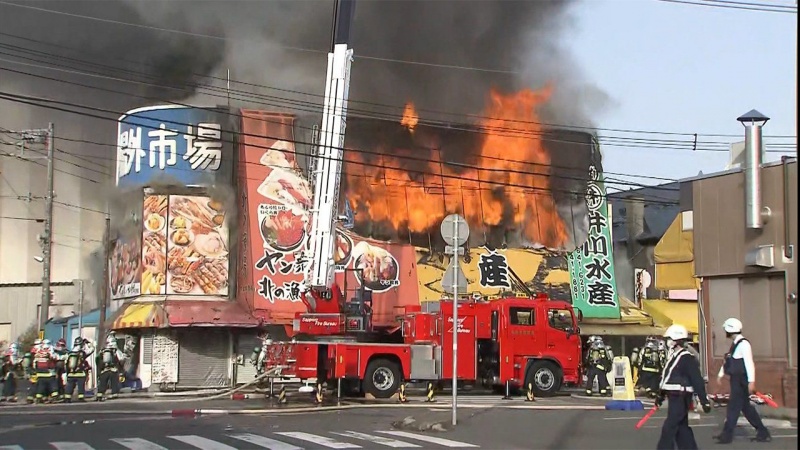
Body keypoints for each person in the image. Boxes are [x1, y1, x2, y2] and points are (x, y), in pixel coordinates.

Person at [714, 318, 771, 444]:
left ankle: (727, 436)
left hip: (741, 381)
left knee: (733, 408)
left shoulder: (744, 344)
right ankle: (762, 432)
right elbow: (728, 361)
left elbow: (749, 363)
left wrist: (751, 381)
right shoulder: (736, 344)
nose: (725, 332)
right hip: (736, 380)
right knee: (746, 408)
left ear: (730, 330)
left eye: (725, 330)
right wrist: (720, 374)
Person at [655, 324, 712, 450]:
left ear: (677, 340)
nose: (667, 342)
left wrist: (704, 400)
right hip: (674, 396)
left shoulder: (687, 358)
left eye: (669, 339)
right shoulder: (674, 356)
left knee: (670, 427)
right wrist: (661, 395)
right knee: (682, 428)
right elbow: (667, 378)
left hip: (681, 396)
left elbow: (697, 380)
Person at [64, 337, 93, 403]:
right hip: (80, 373)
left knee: (70, 386)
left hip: (71, 374)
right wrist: (88, 343)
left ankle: (67, 398)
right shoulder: (82, 353)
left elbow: (66, 363)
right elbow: (92, 349)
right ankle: (81, 398)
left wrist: (67, 372)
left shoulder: (69, 353)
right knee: (81, 386)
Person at [96, 333, 123, 401]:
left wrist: (100, 369)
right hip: (113, 370)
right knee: (114, 383)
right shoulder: (115, 350)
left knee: (102, 384)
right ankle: (114, 394)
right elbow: (121, 359)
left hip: (104, 370)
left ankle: (99, 395)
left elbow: (97, 359)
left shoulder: (102, 351)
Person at [32, 339, 58, 403]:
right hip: (49, 372)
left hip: (40, 372)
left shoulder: (38, 352)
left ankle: (38, 398)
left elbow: (35, 362)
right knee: (53, 385)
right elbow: (55, 358)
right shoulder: (49, 351)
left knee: (41, 386)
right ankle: (55, 397)